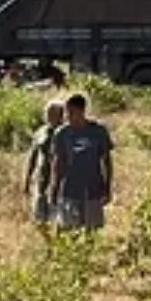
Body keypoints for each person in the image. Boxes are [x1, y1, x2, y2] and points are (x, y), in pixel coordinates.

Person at [48, 92, 113, 232]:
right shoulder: (62, 133)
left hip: (93, 190)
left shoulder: (98, 131)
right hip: (69, 190)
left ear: (82, 111)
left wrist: (107, 188)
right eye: (67, 112)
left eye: (71, 112)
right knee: (68, 231)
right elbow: (58, 163)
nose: (68, 116)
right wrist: (54, 188)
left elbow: (106, 161)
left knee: (93, 231)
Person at [22, 99, 67, 231]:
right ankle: (49, 246)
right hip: (42, 181)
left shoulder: (68, 132)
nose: (50, 116)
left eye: (54, 113)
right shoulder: (41, 132)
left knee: (60, 219)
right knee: (39, 220)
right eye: (48, 113)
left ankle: (59, 246)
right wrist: (27, 179)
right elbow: (32, 157)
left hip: (61, 183)